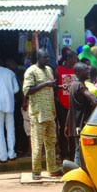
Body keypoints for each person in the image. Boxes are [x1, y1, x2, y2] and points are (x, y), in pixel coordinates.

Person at [24, 50, 62, 180]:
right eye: (45, 57)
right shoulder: (31, 71)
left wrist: (59, 87)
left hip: (50, 112)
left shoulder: (49, 70)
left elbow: (51, 87)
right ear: (38, 57)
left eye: (48, 56)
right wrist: (45, 84)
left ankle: (52, 168)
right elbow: (27, 90)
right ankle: (36, 171)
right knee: (37, 143)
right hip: (38, 113)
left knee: (51, 141)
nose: (47, 58)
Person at [65, 62, 97, 165]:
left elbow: (71, 108)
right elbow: (94, 100)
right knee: (79, 151)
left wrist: (67, 124)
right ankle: (76, 174)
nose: (88, 71)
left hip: (77, 123)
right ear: (78, 72)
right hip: (81, 123)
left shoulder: (74, 85)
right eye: (86, 69)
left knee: (79, 150)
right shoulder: (80, 86)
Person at [56, 50, 78, 161]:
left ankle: (73, 152)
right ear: (69, 59)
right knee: (63, 129)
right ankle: (64, 151)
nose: (76, 60)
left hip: (73, 105)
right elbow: (55, 86)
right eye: (75, 59)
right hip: (62, 104)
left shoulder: (76, 70)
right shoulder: (59, 70)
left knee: (73, 130)